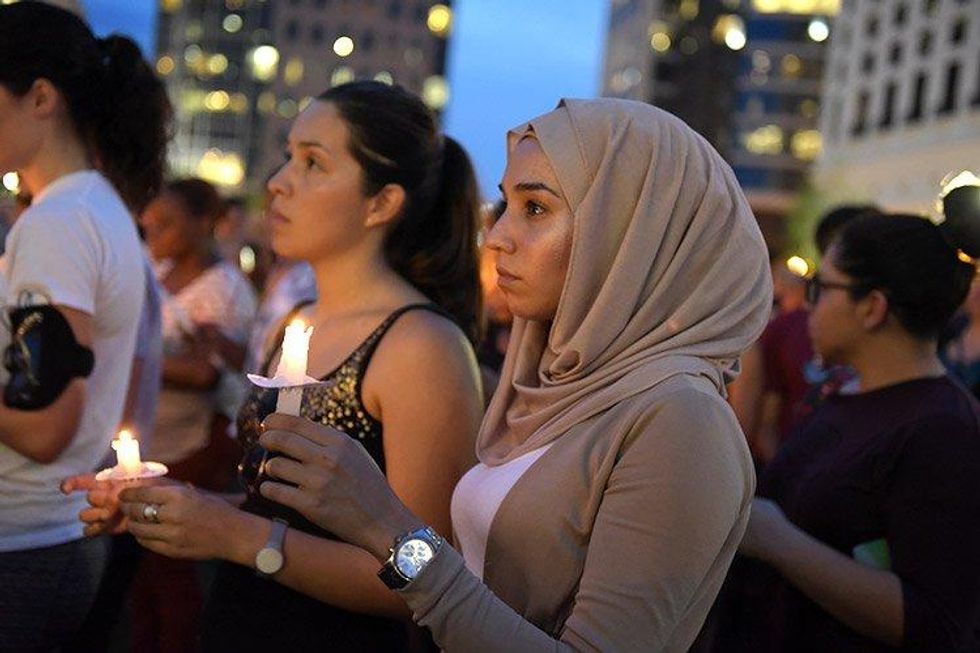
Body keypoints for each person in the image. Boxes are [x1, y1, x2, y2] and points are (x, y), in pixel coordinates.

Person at [141, 97, 773, 651]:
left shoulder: (680, 423)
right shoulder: (562, 392)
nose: (496, 238)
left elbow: (428, 564)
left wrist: (387, 529)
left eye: (535, 209)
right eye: (505, 206)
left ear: (635, 235)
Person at [99, 81, 485, 651]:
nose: (278, 182)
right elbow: (277, 513)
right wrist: (185, 511)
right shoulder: (298, 321)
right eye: (288, 156)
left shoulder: (420, 346)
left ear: (382, 202)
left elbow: (424, 574)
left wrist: (239, 536)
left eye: (313, 163)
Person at [727, 212, 980, 651]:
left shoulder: (942, 429)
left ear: (872, 307)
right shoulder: (848, 392)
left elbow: (935, 621)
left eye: (821, 289)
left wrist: (780, 542)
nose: (808, 305)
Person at [0, 2, 170, 650]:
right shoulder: (94, 207)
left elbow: (46, 423)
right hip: (55, 534)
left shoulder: (59, 220)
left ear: (39, 97)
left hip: (24, 544)